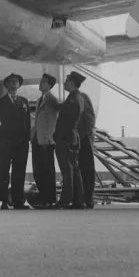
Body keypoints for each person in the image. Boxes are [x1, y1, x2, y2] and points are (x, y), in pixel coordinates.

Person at [0, 73, 31, 209]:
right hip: (6, 142)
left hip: (21, 143)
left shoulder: (24, 101)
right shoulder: (0, 102)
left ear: (19, 85)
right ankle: (4, 201)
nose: (14, 83)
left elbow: (28, 121)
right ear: (6, 85)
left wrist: (27, 138)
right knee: (4, 170)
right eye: (12, 81)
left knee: (19, 172)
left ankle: (18, 201)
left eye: (17, 81)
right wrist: (0, 134)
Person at [50, 71, 85, 209]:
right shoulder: (77, 97)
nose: (64, 83)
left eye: (66, 81)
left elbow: (66, 120)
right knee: (74, 170)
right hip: (73, 138)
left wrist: (59, 137)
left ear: (71, 83)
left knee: (67, 171)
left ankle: (65, 201)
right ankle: (78, 201)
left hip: (66, 138)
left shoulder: (73, 99)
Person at [30, 74, 59, 207]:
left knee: (47, 171)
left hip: (46, 141)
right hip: (37, 139)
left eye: (43, 82)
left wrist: (48, 138)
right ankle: (43, 197)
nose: (40, 84)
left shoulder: (51, 100)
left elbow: (52, 121)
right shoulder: (40, 99)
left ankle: (49, 199)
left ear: (49, 85)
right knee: (38, 170)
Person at [77, 85, 97, 209]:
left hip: (83, 138)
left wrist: (85, 136)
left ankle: (88, 199)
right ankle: (81, 198)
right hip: (76, 139)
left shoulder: (82, 97)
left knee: (87, 169)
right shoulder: (72, 97)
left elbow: (90, 118)